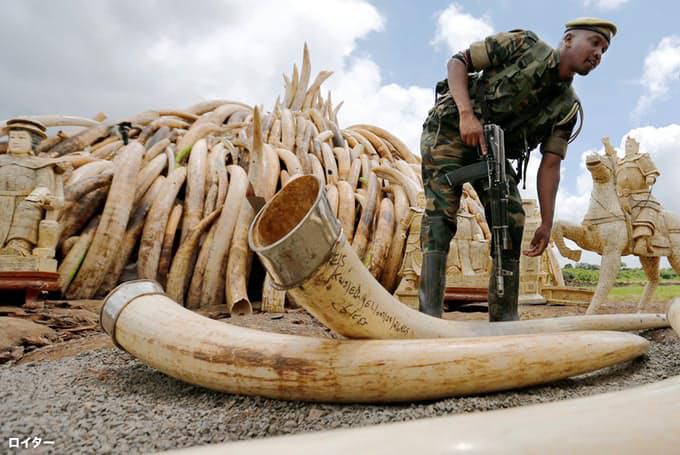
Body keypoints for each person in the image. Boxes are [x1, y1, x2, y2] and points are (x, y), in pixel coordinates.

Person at [418, 17, 617, 321]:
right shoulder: (523, 44)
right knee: (441, 217)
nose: (599, 54)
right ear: (567, 40)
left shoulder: (568, 108)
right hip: (451, 129)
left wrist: (547, 223)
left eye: (604, 50)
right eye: (594, 43)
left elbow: (551, 165)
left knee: (511, 220)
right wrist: (467, 115)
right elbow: (459, 61)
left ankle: (503, 319)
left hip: (493, 153)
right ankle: (428, 317)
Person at [0, 118, 64, 258]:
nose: (15, 141)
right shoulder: (1, 162)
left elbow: (44, 187)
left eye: (21, 138)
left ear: (33, 142)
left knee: (28, 208)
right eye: (12, 137)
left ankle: (19, 245)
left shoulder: (40, 164)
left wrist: (36, 198)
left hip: (26, 203)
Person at [614, 136, 661, 255]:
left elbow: (652, 171)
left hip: (641, 195)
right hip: (621, 197)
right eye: (626, 146)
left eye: (630, 146)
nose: (628, 148)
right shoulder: (620, 162)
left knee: (649, 207)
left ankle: (642, 240)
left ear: (636, 147)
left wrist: (651, 177)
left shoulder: (642, 158)